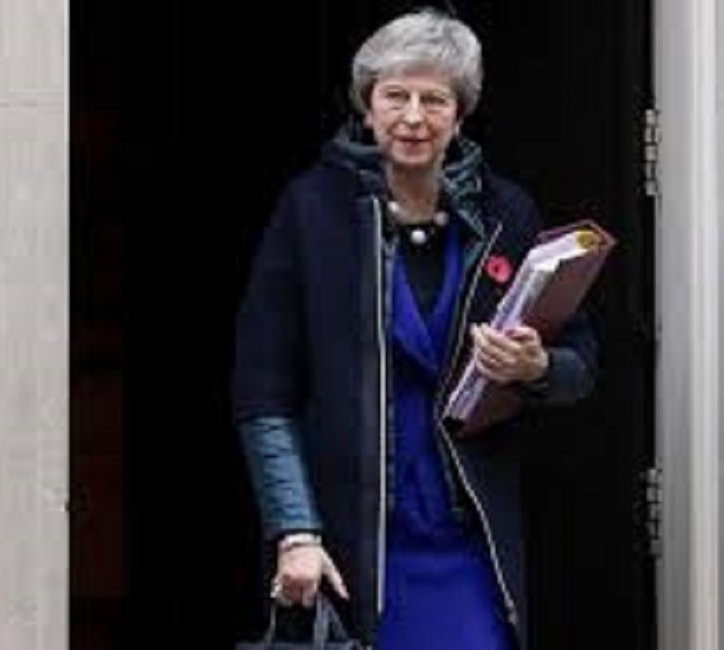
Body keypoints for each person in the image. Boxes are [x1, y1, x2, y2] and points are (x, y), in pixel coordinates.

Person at [233, 7, 598, 649]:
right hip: (352, 541)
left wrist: (535, 367)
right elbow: (264, 391)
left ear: (460, 115)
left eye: (434, 100)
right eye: (395, 96)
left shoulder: (506, 212)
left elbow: (581, 364)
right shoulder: (313, 210)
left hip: (467, 538)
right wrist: (296, 532)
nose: (412, 117)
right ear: (367, 105)